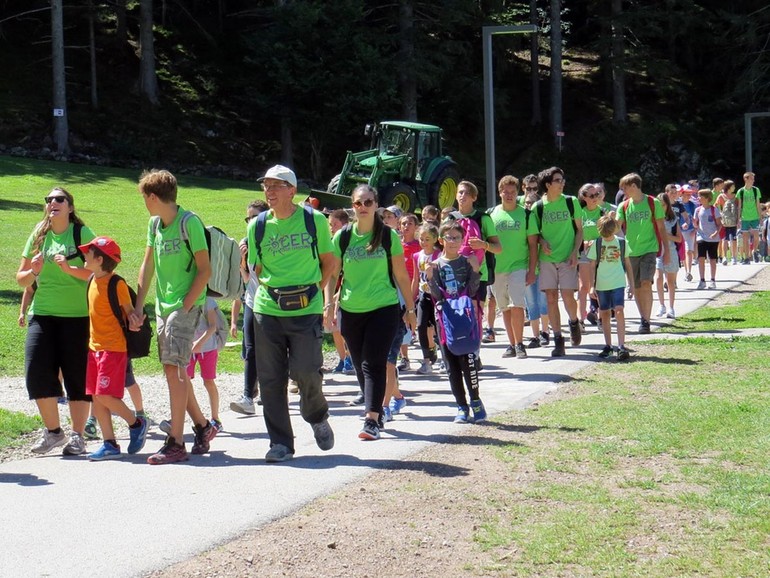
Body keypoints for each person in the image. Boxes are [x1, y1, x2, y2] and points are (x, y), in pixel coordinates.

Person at [247, 165, 335, 462]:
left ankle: (317, 415)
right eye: (266, 186)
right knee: (271, 379)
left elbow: (329, 262)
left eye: (276, 186)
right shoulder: (257, 225)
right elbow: (256, 269)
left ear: (292, 191)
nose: (269, 191)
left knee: (307, 371)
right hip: (267, 309)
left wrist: (314, 292)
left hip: (305, 309)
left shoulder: (314, 220)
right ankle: (281, 443)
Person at [130, 169, 218, 465]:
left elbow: (205, 270)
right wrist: (139, 306)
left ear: (153, 197)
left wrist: (186, 306)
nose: (144, 203)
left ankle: (176, 442)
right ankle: (203, 427)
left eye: (144, 198)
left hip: (184, 307)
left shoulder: (189, 223)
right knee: (175, 370)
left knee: (173, 369)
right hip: (163, 308)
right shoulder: (154, 225)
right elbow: (147, 266)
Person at [324, 184, 417, 441]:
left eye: (367, 202)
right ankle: (374, 408)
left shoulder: (388, 237)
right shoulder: (342, 237)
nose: (362, 207)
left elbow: (400, 274)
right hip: (351, 309)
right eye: (357, 203)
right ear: (352, 207)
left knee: (373, 362)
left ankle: (372, 418)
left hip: (383, 308)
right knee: (358, 363)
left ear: (376, 205)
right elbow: (332, 275)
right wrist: (328, 305)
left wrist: (410, 309)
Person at [16, 187, 96, 456]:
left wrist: (68, 268)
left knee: (76, 377)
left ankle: (78, 436)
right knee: (36, 372)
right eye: (48, 199)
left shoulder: (81, 234)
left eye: (59, 199)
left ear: (70, 207)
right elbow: (21, 279)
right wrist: (33, 271)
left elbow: (98, 272)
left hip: (77, 316)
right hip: (42, 314)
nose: (52, 203)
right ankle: (53, 433)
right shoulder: (39, 234)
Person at [77, 236, 149, 460]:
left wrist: (135, 322)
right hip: (94, 349)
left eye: (88, 253)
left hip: (113, 349)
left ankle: (136, 423)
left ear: (99, 259)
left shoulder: (117, 284)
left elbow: (129, 314)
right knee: (96, 398)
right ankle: (110, 444)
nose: (84, 256)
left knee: (104, 395)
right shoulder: (91, 280)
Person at [427, 219, 483, 423]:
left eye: (456, 237)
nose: (452, 241)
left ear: (462, 240)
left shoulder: (467, 261)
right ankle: (461, 406)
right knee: (451, 368)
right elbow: (435, 296)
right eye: (448, 237)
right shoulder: (435, 264)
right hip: (445, 323)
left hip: (467, 321)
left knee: (468, 363)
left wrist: (476, 271)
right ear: (441, 240)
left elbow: (475, 290)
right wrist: (430, 277)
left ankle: (476, 401)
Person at [527, 167, 583, 356]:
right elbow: (535, 236)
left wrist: (575, 252)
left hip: (568, 258)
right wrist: (542, 241)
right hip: (547, 260)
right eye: (558, 180)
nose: (562, 183)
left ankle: (574, 322)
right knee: (551, 299)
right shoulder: (538, 207)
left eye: (562, 180)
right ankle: (558, 339)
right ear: (548, 185)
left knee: (568, 296)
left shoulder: (571, 202)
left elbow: (580, 231)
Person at [616, 173, 669, 334]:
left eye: (625, 188)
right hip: (631, 251)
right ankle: (643, 318)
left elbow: (661, 227)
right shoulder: (623, 206)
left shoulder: (653, 203)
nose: (623, 191)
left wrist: (666, 251)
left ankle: (646, 320)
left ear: (633, 186)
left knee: (646, 282)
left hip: (649, 249)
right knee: (637, 286)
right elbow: (616, 227)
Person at [230, 199, 269, 415]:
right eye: (248, 218)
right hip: (252, 302)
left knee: (275, 350)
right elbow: (247, 279)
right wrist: (242, 258)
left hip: (273, 304)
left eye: (254, 217)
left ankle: (273, 390)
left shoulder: (271, 240)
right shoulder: (246, 242)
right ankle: (247, 396)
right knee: (251, 349)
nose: (250, 221)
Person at [489, 175, 534, 358]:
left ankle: (520, 343)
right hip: (498, 268)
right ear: (500, 192)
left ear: (518, 193)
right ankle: (511, 344)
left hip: (519, 265)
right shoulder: (491, 213)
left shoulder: (525, 214)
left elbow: (533, 245)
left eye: (512, 192)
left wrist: (532, 270)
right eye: (505, 192)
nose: (509, 195)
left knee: (517, 304)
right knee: (504, 307)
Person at [587, 215, 634, 360]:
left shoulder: (621, 242)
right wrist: (591, 286)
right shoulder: (597, 244)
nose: (606, 233)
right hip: (602, 284)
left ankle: (621, 345)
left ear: (614, 229)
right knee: (605, 313)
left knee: (619, 310)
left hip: (618, 282)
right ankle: (608, 345)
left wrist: (631, 284)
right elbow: (592, 266)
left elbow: (627, 264)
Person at [186, 297, 224, 431]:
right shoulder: (182, 297)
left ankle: (215, 418)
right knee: (184, 382)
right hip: (188, 348)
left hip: (208, 348)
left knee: (209, 381)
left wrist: (199, 343)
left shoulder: (208, 301)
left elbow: (213, 326)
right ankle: (192, 417)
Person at [522, 177, 551, 348]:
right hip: (524, 265)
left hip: (542, 265)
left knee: (542, 301)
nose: (527, 206)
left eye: (530, 204)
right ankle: (535, 336)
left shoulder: (541, 221)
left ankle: (545, 332)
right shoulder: (521, 219)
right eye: (525, 203)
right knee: (530, 302)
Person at [411, 222, 441, 374]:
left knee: (439, 327)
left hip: (437, 296)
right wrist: (411, 301)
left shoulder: (439, 255)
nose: (424, 242)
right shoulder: (417, 256)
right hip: (423, 296)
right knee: (421, 326)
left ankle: (445, 358)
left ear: (435, 239)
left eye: (427, 239)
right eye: (421, 239)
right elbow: (416, 280)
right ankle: (426, 361)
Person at [327, 209, 354, 375]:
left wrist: (337, 295)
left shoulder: (348, 243)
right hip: (332, 289)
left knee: (345, 330)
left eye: (334, 224)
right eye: (330, 224)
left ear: (344, 225)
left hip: (344, 292)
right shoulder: (330, 243)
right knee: (335, 329)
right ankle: (343, 358)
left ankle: (351, 357)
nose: (331, 228)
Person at [577, 183, 604, 331]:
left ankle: (601, 317)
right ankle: (580, 320)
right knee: (584, 286)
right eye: (592, 196)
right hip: (584, 253)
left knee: (599, 286)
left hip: (600, 253)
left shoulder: (602, 212)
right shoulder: (580, 213)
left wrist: (597, 241)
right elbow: (575, 233)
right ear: (584, 197)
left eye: (597, 195)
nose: (595, 198)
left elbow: (608, 233)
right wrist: (584, 242)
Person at [654, 193, 682, 319]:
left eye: (663, 205)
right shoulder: (653, 219)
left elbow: (679, 239)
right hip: (658, 252)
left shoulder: (673, 219)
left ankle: (671, 308)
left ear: (667, 205)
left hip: (671, 251)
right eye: (658, 205)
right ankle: (661, 305)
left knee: (670, 281)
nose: (661, 207)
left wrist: (665, 235)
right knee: (658, 278)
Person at [693, 189, 722, 289]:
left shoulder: (714, 210)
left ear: (706, 198)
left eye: (700, 196)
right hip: (701, 237)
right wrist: (693, 225)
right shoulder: (697, 210)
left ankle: (713, 280)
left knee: (712, 259)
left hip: (713, 239)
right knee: (701, 258)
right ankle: (702, 280)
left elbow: (719, 224)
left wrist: (715, 233)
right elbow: (695, 223)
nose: (698, 198)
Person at [736, 172, 762, 264]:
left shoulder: (756, 190)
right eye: (751, 178)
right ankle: (746, 258)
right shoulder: (741, 191)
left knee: (756, 236)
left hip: (755, 217)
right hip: (744, 218)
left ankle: (754, 251)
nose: (753, 180)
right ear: (745, 179)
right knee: (745, 238)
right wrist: (738, 219)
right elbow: (739, 206)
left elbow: (758, 205)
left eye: (753, 179)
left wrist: (761, 218)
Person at [716, 180, 739, 265]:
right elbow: (715, 207)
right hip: (725, 222)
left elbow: (738, 208)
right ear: (729, 187)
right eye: (733, 186)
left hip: (731, 221)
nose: (734, 187)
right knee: (725, 239)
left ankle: (733, 257)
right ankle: (726, 257)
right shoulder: (722, 196)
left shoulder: (734, 196)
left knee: (732, 239)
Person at [679, 185, 697, 281]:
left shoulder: (692, 205)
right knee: (681, 253)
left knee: (689, 251)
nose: (689, 196)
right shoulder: (677, 204)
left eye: (690, 194)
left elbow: (695, 219)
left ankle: (688, 272)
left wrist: (695, 229)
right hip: (679, 232)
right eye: (687, 194)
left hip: (690, 231)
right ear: (681, 194)